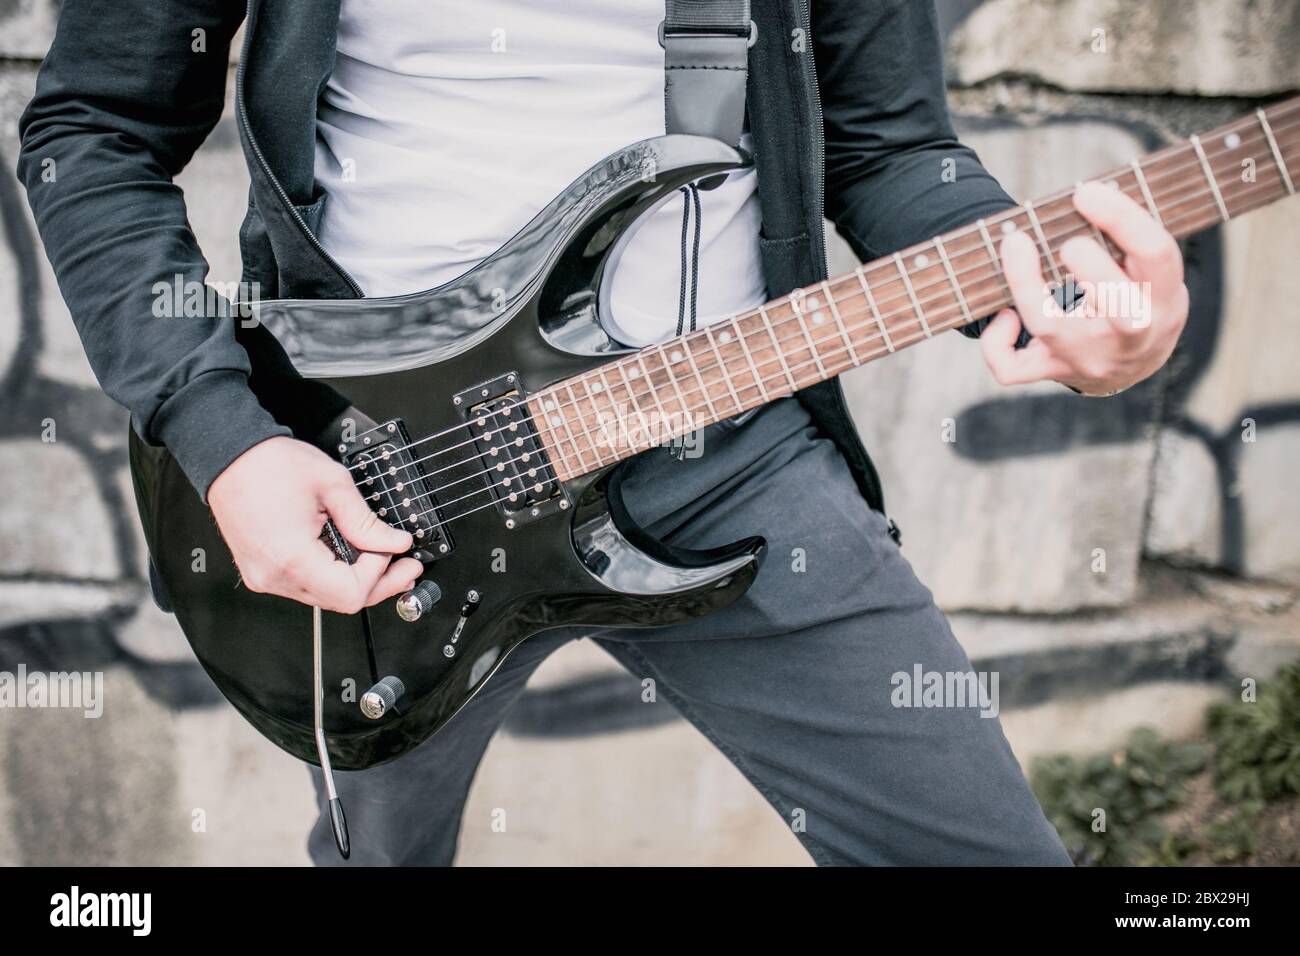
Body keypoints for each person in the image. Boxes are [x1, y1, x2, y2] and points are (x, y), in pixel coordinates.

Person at [18, 0, 1187, 865]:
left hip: (727, 449)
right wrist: (225, 440)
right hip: (367, 469)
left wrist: (1048, 296)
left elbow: (890, 145)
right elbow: (96, 128)